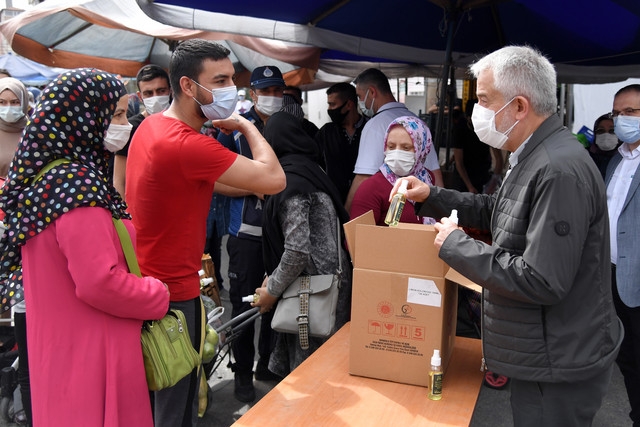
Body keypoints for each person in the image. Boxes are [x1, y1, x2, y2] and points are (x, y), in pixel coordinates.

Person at [392, 46, 623, 426]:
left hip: (558, 360)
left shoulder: (556, 169)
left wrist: (455, 245)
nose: (476, 111)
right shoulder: (533, 153)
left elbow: (541, 279)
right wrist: (432, 196)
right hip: (545, 351)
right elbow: (498, 209)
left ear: (519, 106)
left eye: (483, 99)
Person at [126, 40, 285, 426]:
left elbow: (211, 183)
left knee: (162, 403)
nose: (233, 87)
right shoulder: (186, 143)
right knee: (176, 410)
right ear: (188, 86)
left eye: (232, 77)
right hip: (173, 296)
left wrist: (249, 183)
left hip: (148, 284)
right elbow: (274, 179)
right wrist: (247, 124)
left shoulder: (153, 127)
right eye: (221, 79)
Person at [0, 68, 170, 426]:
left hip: (60, 351)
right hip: (96, 353)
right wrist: (156, 294)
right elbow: (99, 282)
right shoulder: (79, 186)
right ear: (85, 118)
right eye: (118, 114)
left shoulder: (45, 180)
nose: (124, 123)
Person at [254, 111, 352, 377]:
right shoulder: (311, 171)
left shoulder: (290, 183)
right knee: (330, 369)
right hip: (330, 287)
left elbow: (297, 252)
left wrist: (271, 291)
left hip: (312, 295)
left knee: (310, 376)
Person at [216, 65, 286, 403]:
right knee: (244, 305)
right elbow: (214, 180)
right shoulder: (233, 130)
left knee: (273, 304)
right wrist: (253, 187)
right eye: (265, 91)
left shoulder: (290, 127)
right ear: (253, 93)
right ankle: (242, 373)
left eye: (277, 91)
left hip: (280, 236)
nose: (272, 97)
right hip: (244, 234)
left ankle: (267, 367)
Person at [346, 68, 443, 211]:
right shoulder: (416, 121)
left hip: (392, 211)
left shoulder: (375, 125)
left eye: (360, 96)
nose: (360, 102)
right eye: (391, 147)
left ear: (372, 92)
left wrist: (346, 214)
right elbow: (436, 173)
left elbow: (364, 176)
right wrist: (440, 209)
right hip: (425, 210)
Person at [605, 84, 640, 427]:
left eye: (631, 112)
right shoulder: (617, 160)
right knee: (628, 360)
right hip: (614, 277)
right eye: (617, 113)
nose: (621, 119)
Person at [350, 115, 434, 225]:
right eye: (391, 146)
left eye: (406, 148)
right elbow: (356, 237)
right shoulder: (371, 187)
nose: (397, 153)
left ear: (421, 149)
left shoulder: (428, 179)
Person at [113, 64, 171, 199]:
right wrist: (124, 216)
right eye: (148, 93)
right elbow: (119, 180)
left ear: (170, 91)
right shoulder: (131, 128)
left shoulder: (179, 124)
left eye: (161, 90)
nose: (155, 97)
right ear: (140, 96)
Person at [315, 82, 367, 204]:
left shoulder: (370, 129)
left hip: (365, 199)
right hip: (334, 201)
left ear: (348, 104)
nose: (329, 109)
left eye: (332, 104)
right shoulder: (326, 132)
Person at [451, 102, 504, 194]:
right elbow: (459, 162)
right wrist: (470, 187)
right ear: (468, 118)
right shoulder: (460, 128)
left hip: (482, 175)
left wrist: (493, 183)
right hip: (463, 177)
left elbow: (499, 159)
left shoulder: (487, 128)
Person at [0, 78, 29, 178]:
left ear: (24, 102)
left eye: (15, 102)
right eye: (2, 102)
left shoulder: (34, 132)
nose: (8, 108)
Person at [589, 113, 620, 179]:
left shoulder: (625, 158)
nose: (606, 135)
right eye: (601, 131)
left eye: (612, 131)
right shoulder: (585, 156)